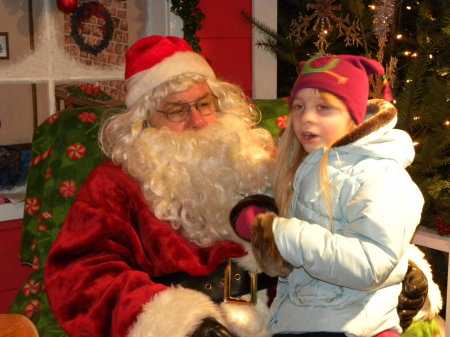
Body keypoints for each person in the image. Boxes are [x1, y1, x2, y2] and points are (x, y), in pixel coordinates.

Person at [44, 35, 280, 337]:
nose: (197, 121)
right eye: (176, 110)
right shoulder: (113, 183)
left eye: (204, 104)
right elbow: (81, 276)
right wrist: (182, 323)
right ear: (144, 122)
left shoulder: (254, 162)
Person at [242, 54, 440, 337]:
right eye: (299, 106)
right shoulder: (307, 168)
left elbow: (372, 265)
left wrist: (289, 237)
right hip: (306, 322)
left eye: (324, 107)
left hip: (351, 327)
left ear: (353, 116)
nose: (306, 117)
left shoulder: (380, 175)